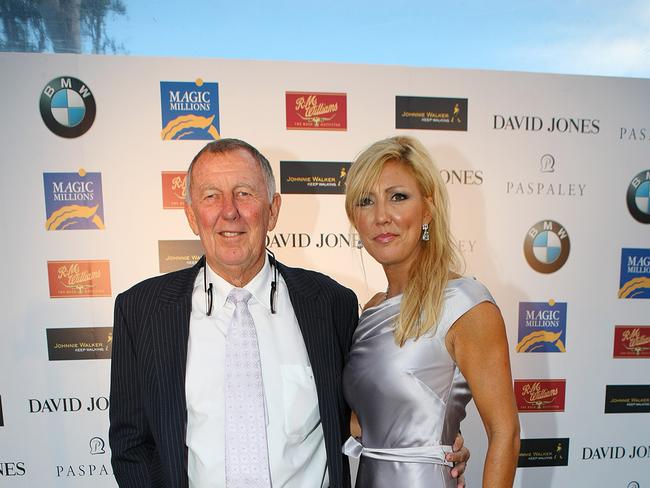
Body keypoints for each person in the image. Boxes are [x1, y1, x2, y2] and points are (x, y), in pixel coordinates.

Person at [109, 138, 470, 488]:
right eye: (210, 196)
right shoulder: (142, 311)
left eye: (245, 193)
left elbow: (365, 411)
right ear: (191, 214)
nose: (229, 210)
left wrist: (431, 449)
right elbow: (131, 444)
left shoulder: (332, 304)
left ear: (274, 210)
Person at [342, 136, 520, 487]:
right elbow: (363, 424)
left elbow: (506, 434)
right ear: (355, 218)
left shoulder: (465, 304)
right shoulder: (370, 310)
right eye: (366, 201)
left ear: (428, 208)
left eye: (398, 197)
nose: (381, 216)